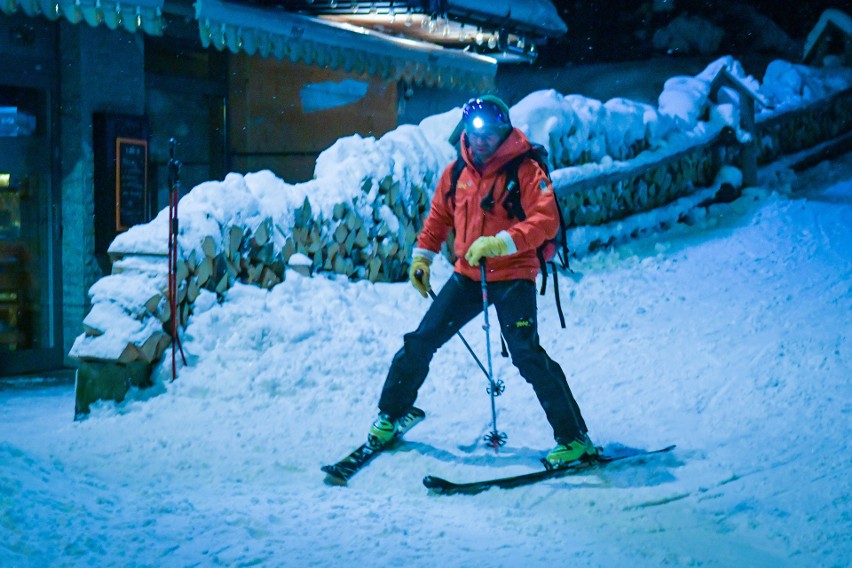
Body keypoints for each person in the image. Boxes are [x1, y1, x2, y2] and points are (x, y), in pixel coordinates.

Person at [367, 96, 596, 467]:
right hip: (469, 276)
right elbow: (439, 217)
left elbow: (546, 220)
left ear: (503, 131)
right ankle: (391, 415)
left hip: (513, 274)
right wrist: (422, 258)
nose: (482, 141)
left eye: (490, 134)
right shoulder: (457, 172)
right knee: (421, 340)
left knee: (526, 354)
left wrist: (501, 242)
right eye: (476, 134)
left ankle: (574, 438)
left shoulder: (525, 169)